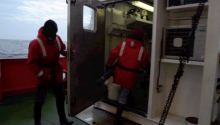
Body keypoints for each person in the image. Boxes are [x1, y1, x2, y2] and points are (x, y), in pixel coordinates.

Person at [27, 19, 73, 125]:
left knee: (61, 97)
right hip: (44, 76)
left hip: (56, 74)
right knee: (40, 100)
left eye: (55, 33)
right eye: (52, 33)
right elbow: (31, 63)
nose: (54, 36)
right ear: (46, 32)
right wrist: (42, 75)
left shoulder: (57, 38)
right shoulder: (35, 44)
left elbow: (62, 49)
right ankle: (37, 122)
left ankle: (63, 120)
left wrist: (67, 53)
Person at [106, 30, 149, 125]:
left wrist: (108, 64)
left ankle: (119, 110)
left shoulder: (122, 44)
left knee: (121, 88)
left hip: (119, 73)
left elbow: (113, 54)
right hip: (131, 76)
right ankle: (117, 118)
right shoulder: (143, 49)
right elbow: (145, 63)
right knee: (124, 94)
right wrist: (147, 71)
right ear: (141, 38)